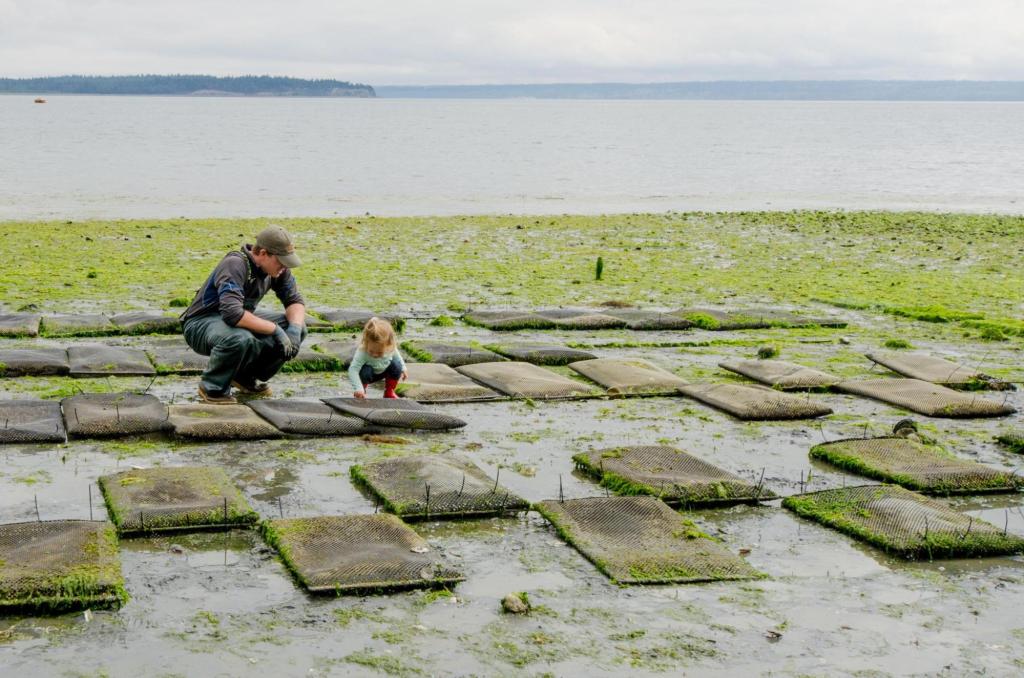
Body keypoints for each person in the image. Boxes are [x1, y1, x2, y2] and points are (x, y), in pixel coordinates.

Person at [180, 225, 307, 404]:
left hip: (236, 318)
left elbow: (294, 300)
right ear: (263, 253)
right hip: (200, 323)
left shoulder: (279, 270)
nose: (283, 267)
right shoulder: (235, 264)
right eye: (280, 261)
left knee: (299, 326)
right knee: (240, 338)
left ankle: (244, 377)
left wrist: (293, 329)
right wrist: (275, 330)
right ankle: (212, 387)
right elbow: (232, 314)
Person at [348, 317, 407, 399]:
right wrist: (358, 388)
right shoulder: (362, 351)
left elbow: (397, 357)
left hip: (384, 371)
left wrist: (403, 368)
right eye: (371, 351)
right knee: (366, 371)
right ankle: (361, 393)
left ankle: (389, 392)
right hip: (369, 374)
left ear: (388, 345)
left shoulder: (390, 347)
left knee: (397, 366)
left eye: (380, 353)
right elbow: (353, 370)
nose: (375, 355)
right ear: (366, 342)